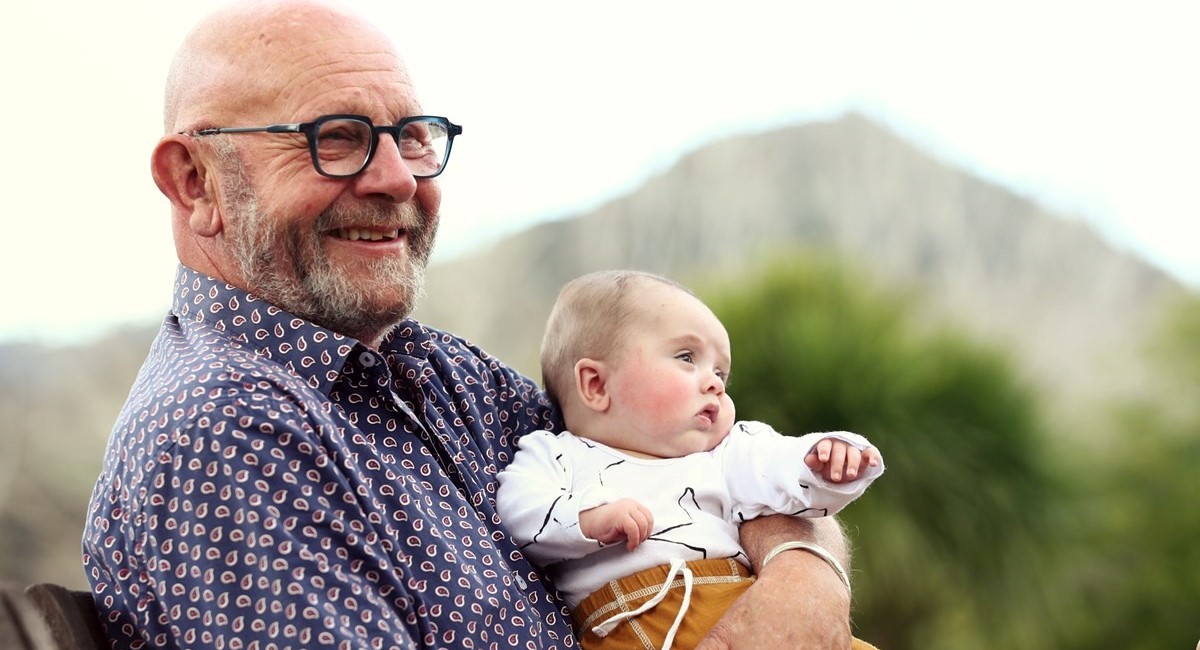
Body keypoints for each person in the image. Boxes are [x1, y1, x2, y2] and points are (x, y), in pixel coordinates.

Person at [81, 1, 863, 648]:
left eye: (412, 136)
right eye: (338, 139)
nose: (396, 179)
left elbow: (700, 464)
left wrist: (802, 579)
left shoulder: (447, 378)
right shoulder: (227, 434)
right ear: (194, 180)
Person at [496, 270, 884, 649]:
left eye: (721, 372)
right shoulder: (555, 453)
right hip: (629, 625)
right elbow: (517, 510)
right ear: (596, 385)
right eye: (686, 357)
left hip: (749, 611)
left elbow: (778, 469)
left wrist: (822, 459)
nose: (715, 382)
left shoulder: (725, 451)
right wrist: (587, 519)